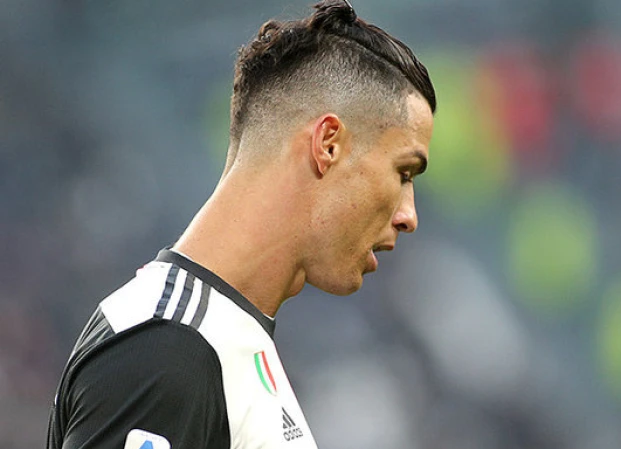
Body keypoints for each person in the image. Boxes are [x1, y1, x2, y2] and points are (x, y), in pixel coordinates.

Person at [46, 0, 436, 447]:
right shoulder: (168, 351)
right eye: (404, 173)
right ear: (328, 144)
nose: (408, 216)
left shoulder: (223, 339)